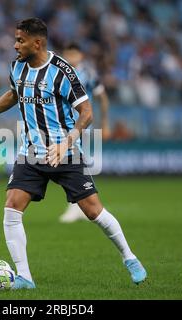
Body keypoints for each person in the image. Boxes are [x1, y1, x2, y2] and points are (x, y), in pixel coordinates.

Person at [0, 18, 146, 289]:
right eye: (15, 39)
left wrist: (66, 143)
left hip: (65, 152)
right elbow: (14, 95)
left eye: (20, 40)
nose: (15, 45)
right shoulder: (17, 67)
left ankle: (130, 258)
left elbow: (87, 113)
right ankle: (24, 277)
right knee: (12, 207)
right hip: (31, 153)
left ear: (38, 42)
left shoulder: (62, 71)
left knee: (93, 211)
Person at [59, 42, 111, 223]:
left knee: (75, 164)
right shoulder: (58, 71)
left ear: (81, 55)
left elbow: (102, 98)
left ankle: (77, 206)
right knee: (76, 164)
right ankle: (81, 205)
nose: (71, 57)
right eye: (68, 53)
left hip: (81, 125)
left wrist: (105, 122)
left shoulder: (88, 73)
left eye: (74, 53)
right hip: (62, 126)